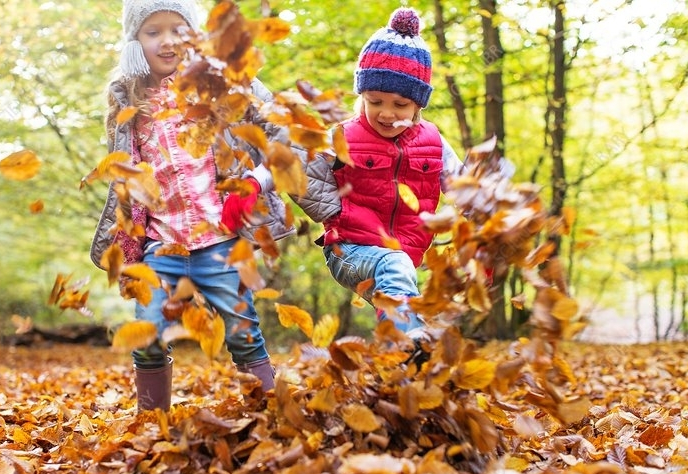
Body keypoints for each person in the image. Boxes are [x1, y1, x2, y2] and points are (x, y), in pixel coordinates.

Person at [90, 0, 291, 412]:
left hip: (219, 239)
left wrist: (255, 181)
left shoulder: (224, 84)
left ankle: (271, 413)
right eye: (153, 31)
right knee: (146, 335)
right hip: (160, 247)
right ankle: (151, 425)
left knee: (242, 332)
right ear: (135, 41)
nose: (167, 42)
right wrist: (127, 242)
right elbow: (125, 182)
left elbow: (284, 135)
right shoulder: (127, 102)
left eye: (177, 30)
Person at [293, 7, 461, 364]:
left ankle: (400, 369)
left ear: (418, 104)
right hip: (350, 251)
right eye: (375, 102)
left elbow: (465, 186)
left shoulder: (433, 141)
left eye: (400, 104)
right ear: (362, 96)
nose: (386, 113)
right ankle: (403, 346)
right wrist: (333, 212)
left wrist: (487, 225)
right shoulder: (343, 137)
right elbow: (295, 168)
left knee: (417, 300)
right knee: (395, 266)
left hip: (402, 261)